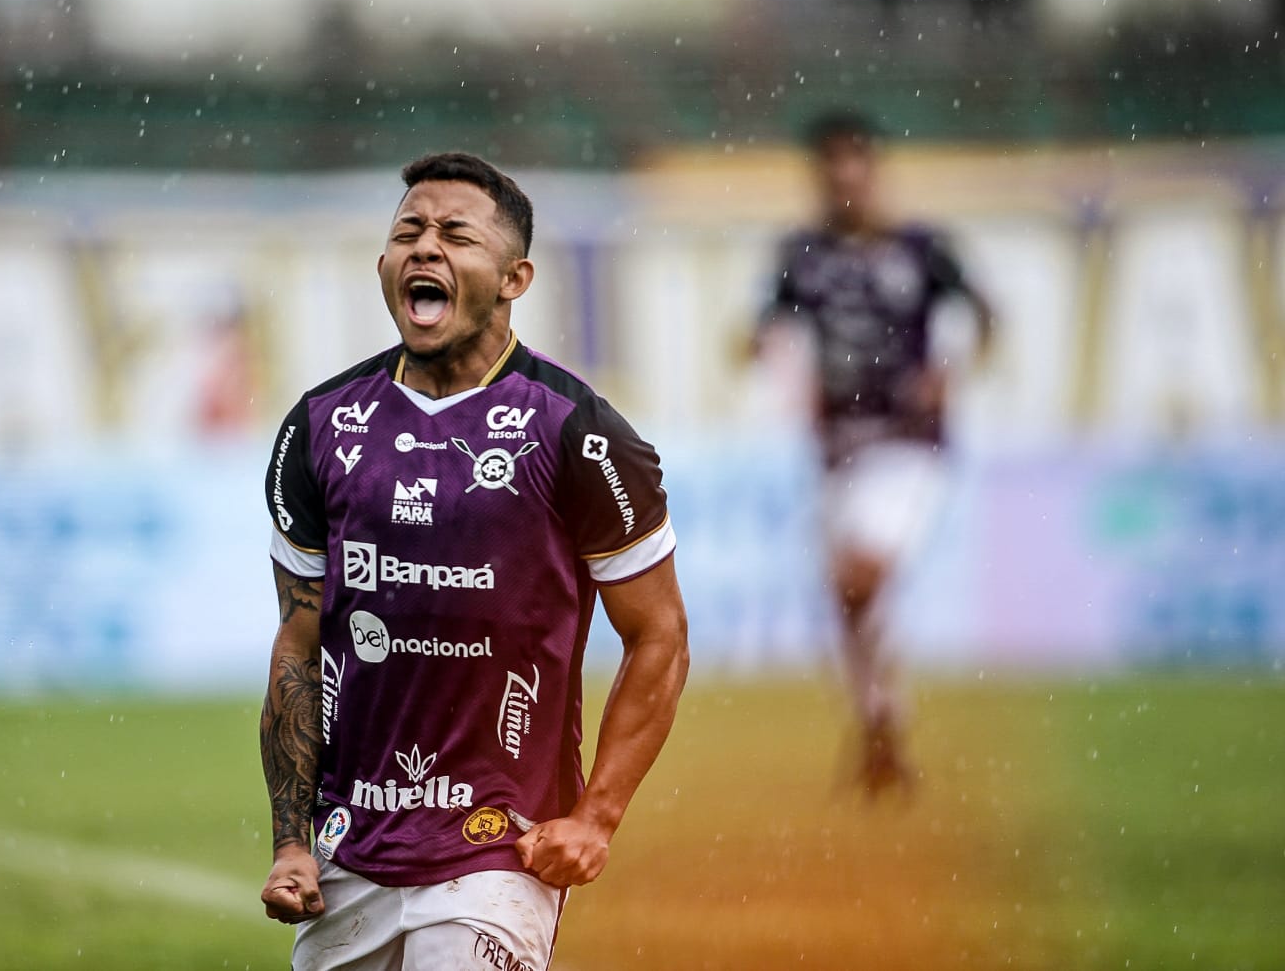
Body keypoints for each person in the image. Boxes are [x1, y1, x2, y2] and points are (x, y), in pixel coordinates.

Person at [260, 152, 690, 969]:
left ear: (514, 278)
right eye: (407, 233)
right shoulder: (318, 428)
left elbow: (660, 636)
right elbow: (298, 648)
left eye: (455, 235)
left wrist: (596, 818)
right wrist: (292, 841)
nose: (425, 249)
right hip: (351, 853)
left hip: (500, 852)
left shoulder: (580, 435)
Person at [748, 112, 995, 797]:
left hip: (910, 448)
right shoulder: (801, 255)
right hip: (837, 454)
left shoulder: (922, 248)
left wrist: (950, 369)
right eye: (832, 167)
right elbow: (763, 330)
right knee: (847, 597)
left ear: (874, 169)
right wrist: (772, 364)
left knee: (860, 579)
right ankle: (880, 724)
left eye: (855, 163)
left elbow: (984, 316)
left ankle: (883, 720)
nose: (845, 180)